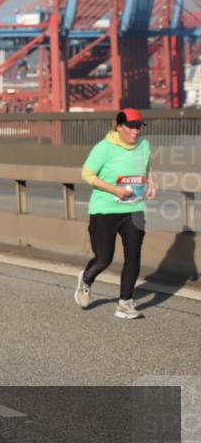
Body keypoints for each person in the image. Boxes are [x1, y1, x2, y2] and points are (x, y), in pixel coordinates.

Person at [75, 108, 155, 319]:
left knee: (134, 256)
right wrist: (115, 190)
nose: (136, 132)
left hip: (134, 208)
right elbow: (86, 174)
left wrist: (152, 183)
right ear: (119, 126)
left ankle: (125, 304)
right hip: (105, 210)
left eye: (139, 127)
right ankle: (86, 280)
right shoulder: (104, 148)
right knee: (104, 258)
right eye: (131, 127)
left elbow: (146, 168)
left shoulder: (144, 145)